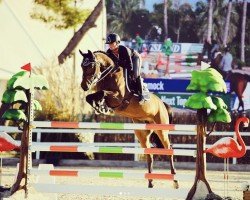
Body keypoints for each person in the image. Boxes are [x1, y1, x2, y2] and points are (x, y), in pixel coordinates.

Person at [105, 33, 150, 104]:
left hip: (134, 58)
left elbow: (129, 64)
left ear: (117, 43)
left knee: (135, 74)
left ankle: (141, 94)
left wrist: (131, 74)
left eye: (112, 43)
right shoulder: (108, 52)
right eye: (109, 44)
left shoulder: (123, 49)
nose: (110, 45)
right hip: (123, 63)